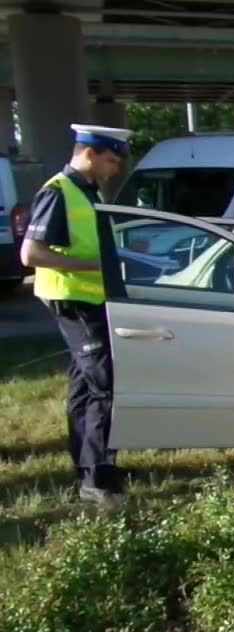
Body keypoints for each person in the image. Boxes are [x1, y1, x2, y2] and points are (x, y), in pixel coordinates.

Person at [19, 124, 133, 505]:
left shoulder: (86, 190)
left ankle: (89, 467)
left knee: (85, 390)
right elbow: (30, 255)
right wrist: (92, 265)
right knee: (104, 386)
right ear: (90, 153)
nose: (115, 167)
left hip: (89, 300)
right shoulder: (58, 191)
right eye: (112, 159)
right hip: (75, 301)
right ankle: (98, 480)